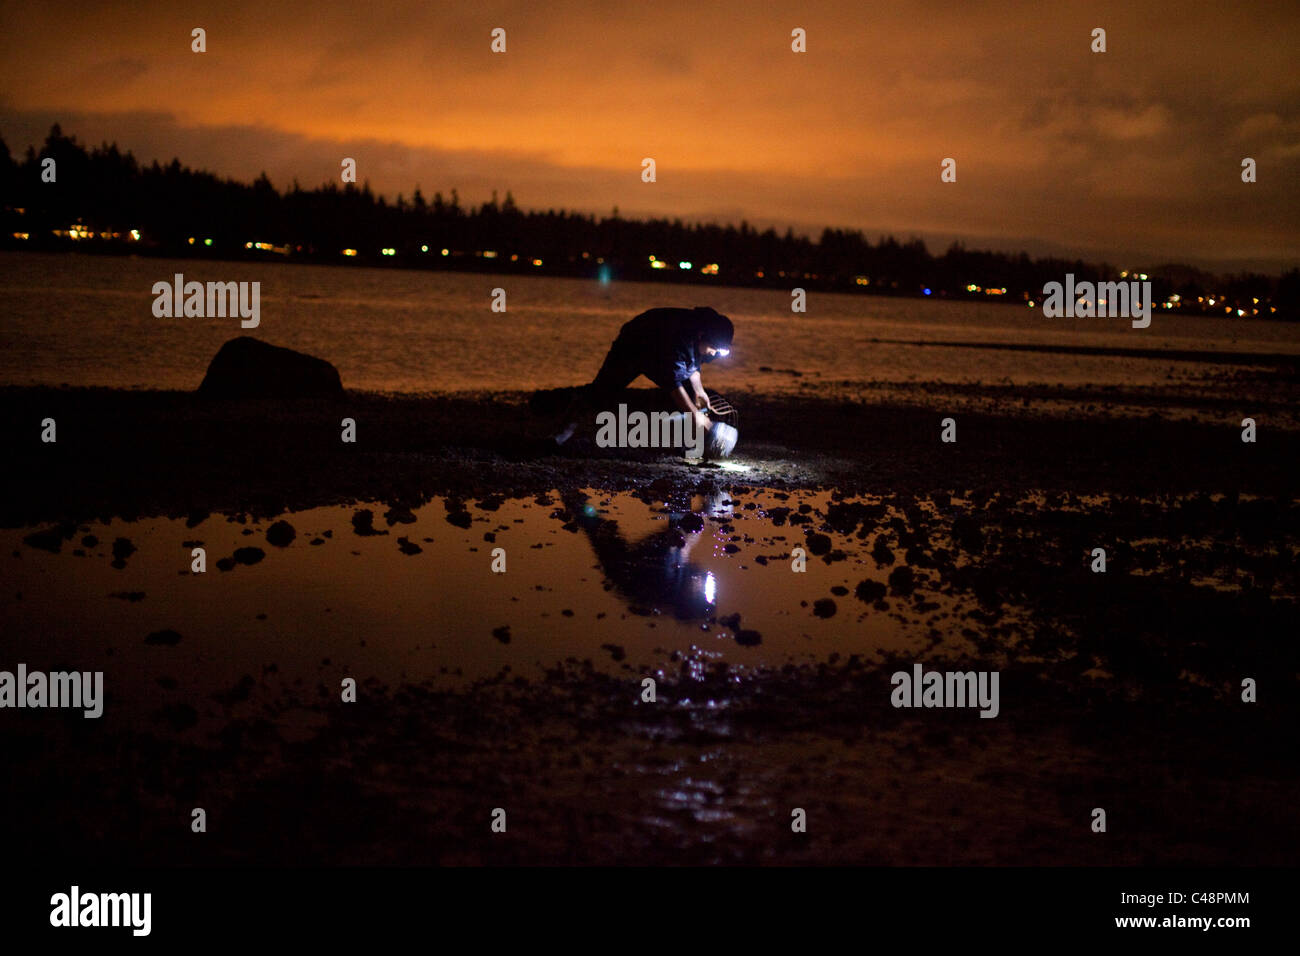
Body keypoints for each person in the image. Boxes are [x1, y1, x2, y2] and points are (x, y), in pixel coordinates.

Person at [554, 306, 734, 444]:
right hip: (635, 344)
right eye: (713, 349)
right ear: (701, 336)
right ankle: (564, 430)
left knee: (692, 399)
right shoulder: (679, 338)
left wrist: (699, 390)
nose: (713, 354)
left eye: (718, 351)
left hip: (667, 355)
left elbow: (695, 364)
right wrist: (696, 416)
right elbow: (672, 382)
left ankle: (692, 441)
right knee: (604, 390)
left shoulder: (713, 338)